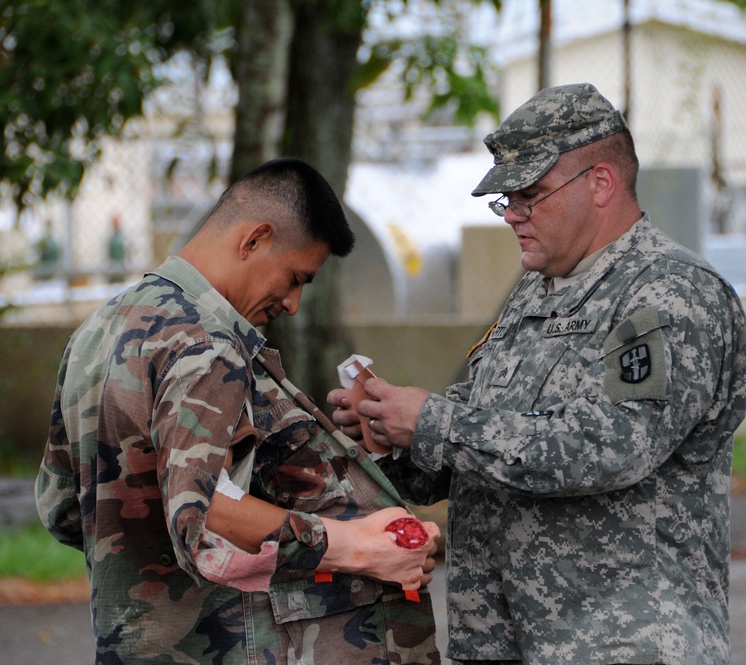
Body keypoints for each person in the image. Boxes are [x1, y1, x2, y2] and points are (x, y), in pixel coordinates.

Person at [328, 84, 746, 665]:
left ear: (600, 184)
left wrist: (432, 422)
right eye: (507, 199)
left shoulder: (667, 294)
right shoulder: (538, 293)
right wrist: (392, 437)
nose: (514, 216)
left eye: (530, 194)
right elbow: (485, 439)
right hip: (504, 640)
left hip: (619, 643)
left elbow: (609, 446)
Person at [35, 157, 441, 664]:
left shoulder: (100, 329)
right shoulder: (209, 344)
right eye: (296, 278)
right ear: (254, 240)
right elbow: (202, 518)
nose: (293, 303)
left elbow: (64, 508)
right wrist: (357, 546)